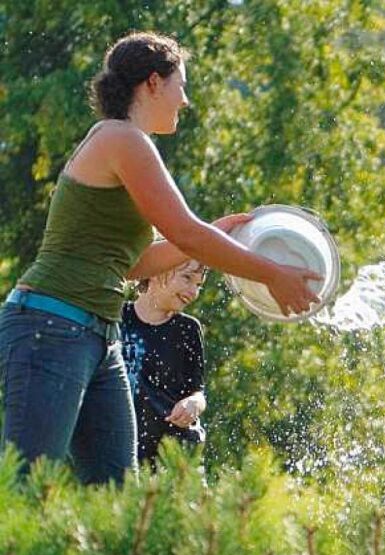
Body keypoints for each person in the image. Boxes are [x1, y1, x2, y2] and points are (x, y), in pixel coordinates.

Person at [0, 31, 317, 485]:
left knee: (119, 495)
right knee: (24, 488)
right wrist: (272, 274)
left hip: (97, 334)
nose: (185, 100)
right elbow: (185, 231)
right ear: (153, 83)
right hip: (50, 327)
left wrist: (216, 233)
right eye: (181, 85)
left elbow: (132, 263)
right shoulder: (121, 139)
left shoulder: (130, 144)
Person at [122, 259, 208, 464]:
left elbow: (197, 392)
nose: (193, 292)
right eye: (187, 278)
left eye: (198, 285)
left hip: (173, 454)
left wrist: (194, 403)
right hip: (120, 448)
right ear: (155, 271)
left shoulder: (187, 330)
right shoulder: (116, 317)